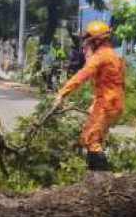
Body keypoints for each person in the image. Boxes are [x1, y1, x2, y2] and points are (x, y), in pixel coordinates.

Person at [53, 21, 125, 171]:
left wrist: (62, 93)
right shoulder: (114, 55)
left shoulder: (99, 57)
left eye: (89, 40)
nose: (88, 43)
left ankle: (101, 181)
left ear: (97, 40)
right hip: (114, 102)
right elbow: (119, 83)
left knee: (90, 139)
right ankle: (94, 178)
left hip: (106, 103)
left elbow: (82, 75)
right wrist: (96, 101)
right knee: (93, 136)